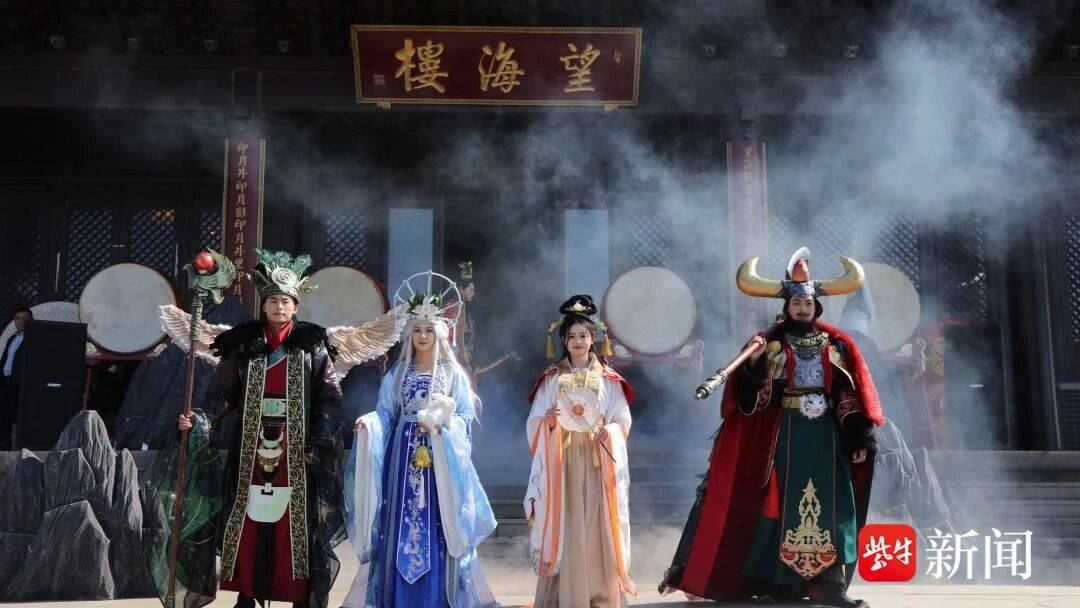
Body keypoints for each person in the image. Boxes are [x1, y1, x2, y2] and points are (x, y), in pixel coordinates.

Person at [660, 249, 883, 608]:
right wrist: (751, 366)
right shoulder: (771, 344)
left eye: (808, 303)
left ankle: (832, 587)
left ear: (816, 307)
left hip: (827, 437)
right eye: (796, 303)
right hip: (786, 436)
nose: (803, 309)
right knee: (777, 508)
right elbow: (753, 403)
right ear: (787, 307)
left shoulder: (834, 345)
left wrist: (859, 436)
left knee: (835, 507)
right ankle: (774, 585)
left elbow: (847, 393)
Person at [164, 249, 347, 608]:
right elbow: (221, 395)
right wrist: (199, 419)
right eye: (273, 300)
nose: (279, 306)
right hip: (250, 447)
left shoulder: (312, 346)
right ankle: (247, 594)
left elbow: (331, 399)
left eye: (285, 301)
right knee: (247, 518)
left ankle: (298, 595)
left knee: (295, 522)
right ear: (263, 305)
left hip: (297, 452)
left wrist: (317, 443)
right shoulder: (243, 344)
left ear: (296, 307)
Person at [344, 271, 498, 608]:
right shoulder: (397, 373)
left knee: (437, 521)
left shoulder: (453, 374)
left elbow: (465, 417)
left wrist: (443, 428)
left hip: (440, 458)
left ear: (440, 333)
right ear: (409, 334)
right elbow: (386, 413)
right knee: (400, 522)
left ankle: (436, 596)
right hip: (402, 459)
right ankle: (399, 596)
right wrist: (369, 423)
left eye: (429, 330)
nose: (423, 336)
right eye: (417, 330)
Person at [525, 295, 636, 608]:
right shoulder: (551, 379)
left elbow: (622, 418)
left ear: (593, 339)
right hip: (562, 459)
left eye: (583, 335)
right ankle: (564, 593)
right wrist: (548, 423)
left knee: (597, 523)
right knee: (566, 521)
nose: (577, 341)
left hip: (597, 458)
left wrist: (609, 432)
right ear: (563, 340)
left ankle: (600, 593)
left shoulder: (609, 380)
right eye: (572, 336)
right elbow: (534, 420)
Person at [0, 306, 31, 449]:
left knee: (19, 417)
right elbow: (5, 360)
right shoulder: (12, 338)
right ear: (14, 321)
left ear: (31, 320)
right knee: (3, 415)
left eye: (25, 318)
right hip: (6, 382)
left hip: (20, 384)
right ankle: (4, 448)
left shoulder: (33, 340)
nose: (21, 321)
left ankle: (23, 449)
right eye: (18, 318)